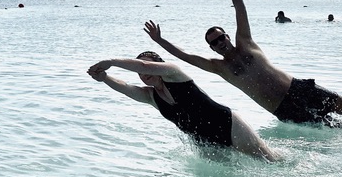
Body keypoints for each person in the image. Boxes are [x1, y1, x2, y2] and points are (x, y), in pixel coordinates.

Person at [144, 0, 342, 126]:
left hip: (299, 89)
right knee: (335, 131)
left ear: (228, 36)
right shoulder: (219, 67)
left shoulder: (246, 43)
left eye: (221, 38)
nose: (220, 43)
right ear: (212, 48)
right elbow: (184, 56)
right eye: (214, 43)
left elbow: (240, 9)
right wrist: (160, 40)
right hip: (283, 109)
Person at [87, 52, 280, 161]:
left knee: (269, 162)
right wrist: (104, 78)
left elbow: (143, 66)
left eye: (146, 66)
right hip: (204, 143)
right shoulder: (151, 96)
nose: (142, 72)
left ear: (159, 67)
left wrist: (111, 62)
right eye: (139, 70)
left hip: (229, 125)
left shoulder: (174, 73)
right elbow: (127, 88)